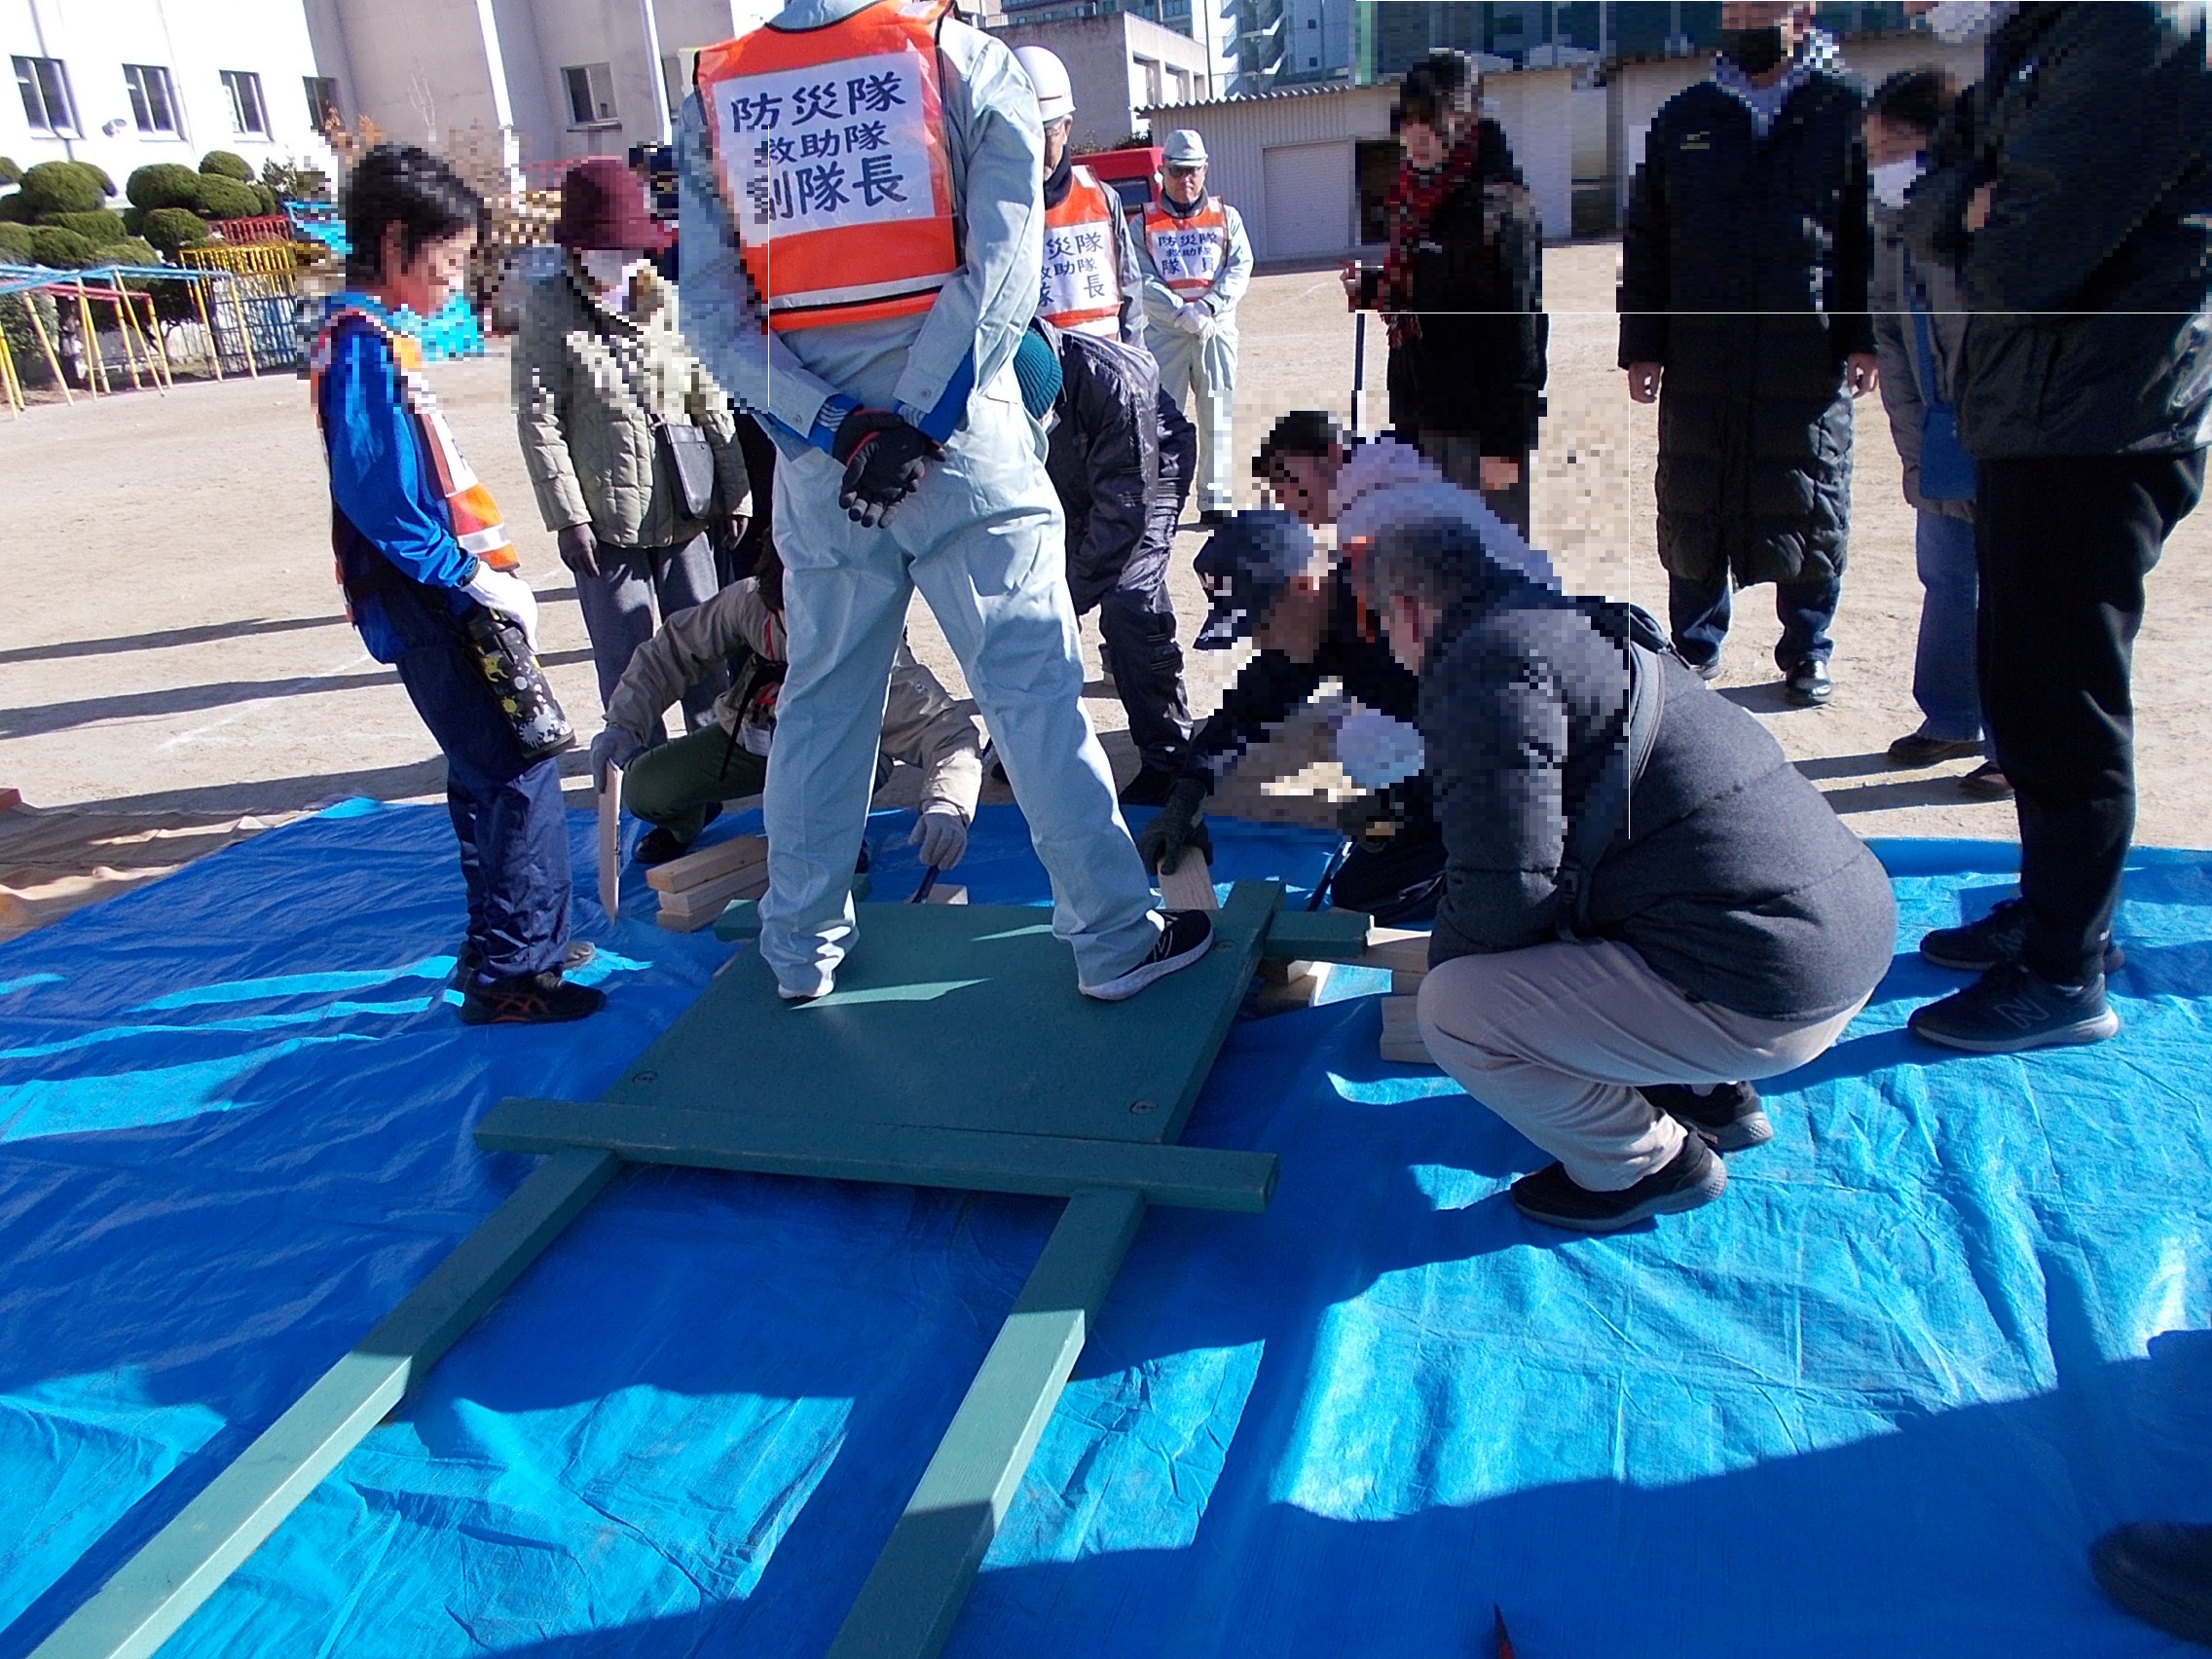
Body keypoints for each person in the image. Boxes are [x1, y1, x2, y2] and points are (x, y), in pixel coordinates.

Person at [680, 0, 1210, 1005]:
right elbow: (1004, 265)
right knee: (1031, 694)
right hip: (964, 444)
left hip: (824, 469)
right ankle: (1109, 937)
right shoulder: (958, 58)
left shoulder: (716, 89)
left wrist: (841, 428)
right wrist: (915, 419)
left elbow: (712, 313)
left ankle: (799, 949)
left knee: (824, 705)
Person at [1348, 517, 1896, 1232]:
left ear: (1411, 609)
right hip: (1842, 931)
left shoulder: (1483, 683)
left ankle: (1644, 1164)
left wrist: (1456, 965)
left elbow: (1505, 891)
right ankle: (1707, 1089)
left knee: (1457, 1010)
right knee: (1625, 887)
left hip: (1769, 991)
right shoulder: (1581, 631)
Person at [1899, 0, 2211, 1053]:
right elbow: (1924, 206)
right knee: (2024, 688)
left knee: (2066, 702)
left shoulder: (2140, 28)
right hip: (2033, 409)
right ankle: (2054, 910)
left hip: (2102, 420)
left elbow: (2021, 259)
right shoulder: (2042, 32)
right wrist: (1971, 202)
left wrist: (1981, 209)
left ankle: (2066, 972)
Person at [312, 146, 601, 1025]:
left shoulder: (377, 337)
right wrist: (466, 577)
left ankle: (506, 938)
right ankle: (518, 970)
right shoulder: (359, 345)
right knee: (517, 766)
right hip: (429, 593)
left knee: (485, 768)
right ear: (397, 239)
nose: (454, 277)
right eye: (448, 256)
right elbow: (377, 493)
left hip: (437, 586)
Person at [1138, 413, 1551, 924]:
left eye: (1260, 623)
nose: (1260, 641)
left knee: (1371, 895)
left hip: (1534, 762)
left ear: (1303, 587)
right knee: (1372, 829)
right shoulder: (1313, 620)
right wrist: (1187, 797)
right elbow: (1247, 708)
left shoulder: (1408, 612)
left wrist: (1421, 810)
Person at [1617, 1, 1878, 706]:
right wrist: (1642, 344)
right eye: (1732, 8)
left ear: (1803, 12)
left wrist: (1865, 334)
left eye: (1759, 6)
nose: (1741, 20)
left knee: (1808, 491)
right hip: (1700, 346)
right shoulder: (1685, 117)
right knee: (1695, 491)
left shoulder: (1846, 111)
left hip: (1806, 346)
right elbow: (1648, 237)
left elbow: (1867, 234)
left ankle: (1807, 648)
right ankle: (1695, 646)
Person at [514, 157, 753, 729]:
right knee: (626, 668)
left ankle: (709, 765)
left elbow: (707, 399)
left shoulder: (665, 300)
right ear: (577, 248)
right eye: (609, 247)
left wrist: (736, 491)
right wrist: (568, 518)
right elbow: (539, 418)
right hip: (605, 523)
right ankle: (640, 773)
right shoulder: (547, 309)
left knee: (706, 653)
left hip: (685, 504)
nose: (622, 259)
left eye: (630, 247)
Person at [591, 546, 983, 870]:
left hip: (838, 757)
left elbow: (950, 735)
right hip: (755, 738)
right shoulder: (748, 602)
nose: (804, 629)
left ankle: (841, 835)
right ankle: (690, 818)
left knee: (813, 841)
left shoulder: (872, 644)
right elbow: (670, 652)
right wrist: (622, 725)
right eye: (790, 616)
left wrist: (947, 804)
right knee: (644, 789)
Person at [1863, 66, 2008, 800]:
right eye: (1872, 150)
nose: (1880, 164)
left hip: (2005, 433)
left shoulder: (1989, 212)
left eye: (1893, 147)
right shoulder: (1892, 224)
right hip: (1940, 435)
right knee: (1948, 579)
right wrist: (1918, 447)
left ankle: (2016, 745)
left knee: (2015, 592)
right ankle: (1951, 717)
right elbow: (1889, 330)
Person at [1340, 50, 1546, 537]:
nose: (1417, 135)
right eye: (1408, 121)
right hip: (1419, 415)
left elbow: (1520, 333)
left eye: (1430, 121)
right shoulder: (1418, 196)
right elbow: (1435, 284)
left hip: (1476, 433)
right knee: (1429, 565)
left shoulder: (1500, 206)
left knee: (1488, 568)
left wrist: (1505, 446)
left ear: (1465, 120)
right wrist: (1374, 289)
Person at [1021, 317, 1196, 804]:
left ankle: (1168, 757)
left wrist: (1070, 596)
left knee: (1129, 602)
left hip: (1148, 470)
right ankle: (1031, 745)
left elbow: (1124, 508)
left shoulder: (1116, 383)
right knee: (1026, 604)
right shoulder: (981, 378)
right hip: (1064, 478)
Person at [1138, 129, 1251, 523]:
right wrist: (1179, 313)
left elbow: (1240, 268)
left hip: (1215, 332)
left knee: (1217, 415)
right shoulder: (1143, 223)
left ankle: (1215, 499)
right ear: (1162, 171)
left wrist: (1207, 307)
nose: (1185, 179)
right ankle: (1159, 501)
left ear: (1205, 170)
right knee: (1159, 420)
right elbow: (1140, 276)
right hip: (1165, 335)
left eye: (1193, 171)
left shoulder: (1227, 218)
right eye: (1176, 171)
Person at [1013, 45, 1144, 344]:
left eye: (1044, 133)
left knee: (1216, 386)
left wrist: (1134, 357)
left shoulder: (1103, 199)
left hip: (1103, 359)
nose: (1033, 146)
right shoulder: (994, 206)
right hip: (1037, 364)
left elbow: (1130, 290)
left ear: (1066, 127)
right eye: (1022, 132)